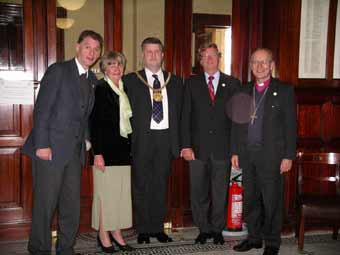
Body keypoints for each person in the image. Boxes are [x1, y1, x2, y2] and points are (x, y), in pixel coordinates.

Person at [22, 30, 103, 255]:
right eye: (88, 47)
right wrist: (41, 145)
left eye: (96, 49)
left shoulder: (92, 80)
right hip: (50, 150)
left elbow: (85, 115)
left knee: (71, 207)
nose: (92, 52)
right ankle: (38, 249)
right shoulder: (58, 70)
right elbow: (42, 110)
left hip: (74, 154)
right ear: (77, 47)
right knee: (45, 207)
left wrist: (86, 139)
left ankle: (66, 249)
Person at [231, 48, 296, 255]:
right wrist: (235, 151)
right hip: (247, 154)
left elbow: (290, 126)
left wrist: (288, 156)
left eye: (263, 62)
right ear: (250, 66)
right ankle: (254, 238)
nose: (259, 66)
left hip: (272, 156)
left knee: (271, 201)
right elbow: (237, 124)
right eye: (255, 62)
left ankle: (272, 242)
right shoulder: (243, 89)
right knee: (250, 200)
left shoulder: (284, 90)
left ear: (271, 65)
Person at [124, 37, 183, 244]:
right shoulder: (130, 80)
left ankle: (157, 228)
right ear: (142, 55)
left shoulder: (175, 81)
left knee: (160, 185)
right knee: (140, 185)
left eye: (157, 51)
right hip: (142, 140)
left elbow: (181, 114)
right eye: (148, 52)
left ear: (163, 55)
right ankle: (143, 229)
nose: (153, 55)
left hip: (165, 139)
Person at [181, 43, 241, 245]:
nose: (209, 59)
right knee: (198, 192)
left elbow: (237, 121)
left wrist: (235, 150)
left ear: (219, 57)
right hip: (197, 150)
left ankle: (216, 229)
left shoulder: (232, 83)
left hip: (223, 150)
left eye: (213, 55)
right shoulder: (191, 83)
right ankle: (203, 229)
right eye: (205, 56)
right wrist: (186, 145)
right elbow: (185, 117)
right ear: (200, 61)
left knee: (219, 193)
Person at [90, 51, 134, 253]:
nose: (116, 68)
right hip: (105, 154)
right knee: (105, 196)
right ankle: (103, 235)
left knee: (119, 196)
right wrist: (97, 153)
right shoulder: (100, 88)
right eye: (111, 65)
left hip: (122, 152)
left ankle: (116, 233)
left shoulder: (124, 90)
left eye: (119, 64)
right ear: (104, 69)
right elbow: (95, 123)